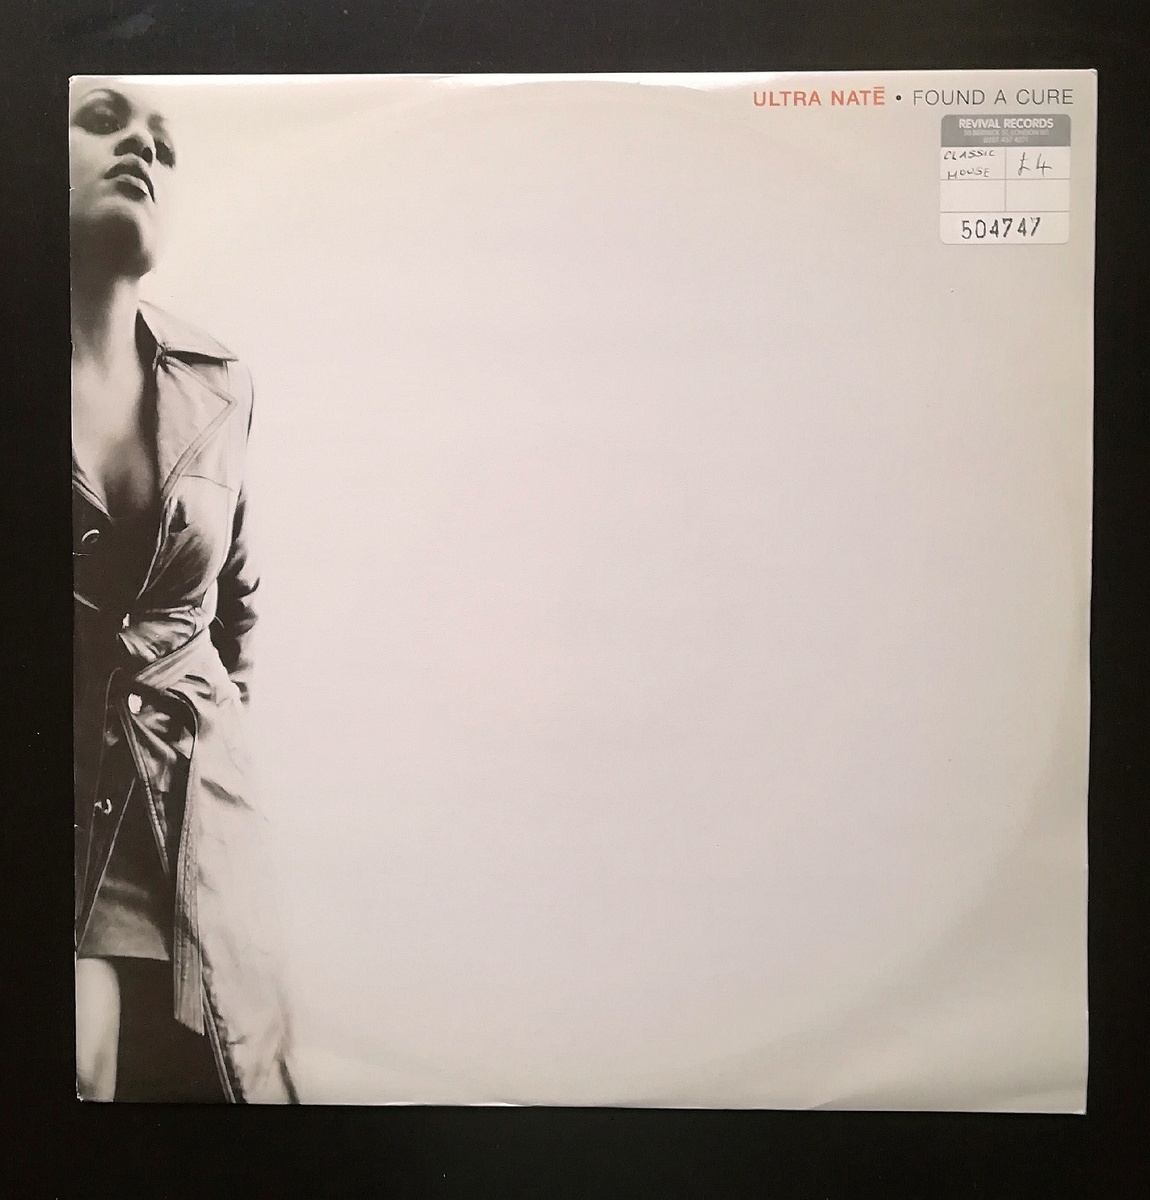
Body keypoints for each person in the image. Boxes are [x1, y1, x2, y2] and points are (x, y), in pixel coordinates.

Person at [71, 81, 296, 1102]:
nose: (140, 149)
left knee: (225, 1092)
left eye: (162, 143)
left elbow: (234, 606)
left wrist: (221, 746)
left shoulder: (220, 381)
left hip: (197, 827)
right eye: (102, 119)